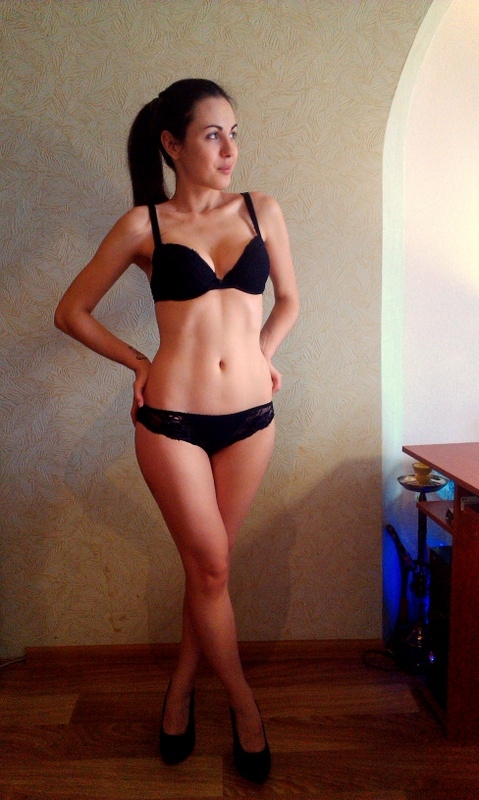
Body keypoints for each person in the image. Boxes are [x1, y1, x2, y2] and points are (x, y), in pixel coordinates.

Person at [54, 78, 299, 782]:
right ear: (172, 143)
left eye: (234, 133)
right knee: (213, 568)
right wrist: (137, 361)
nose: (229, 149)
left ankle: (181, 690)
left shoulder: (261, 209)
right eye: (212, 134)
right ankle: (245, 708)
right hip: (172, 421)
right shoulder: (145, 226)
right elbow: (71, 312)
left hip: (251, 420)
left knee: (207, 569)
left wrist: (262, 352)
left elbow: (288, 300)